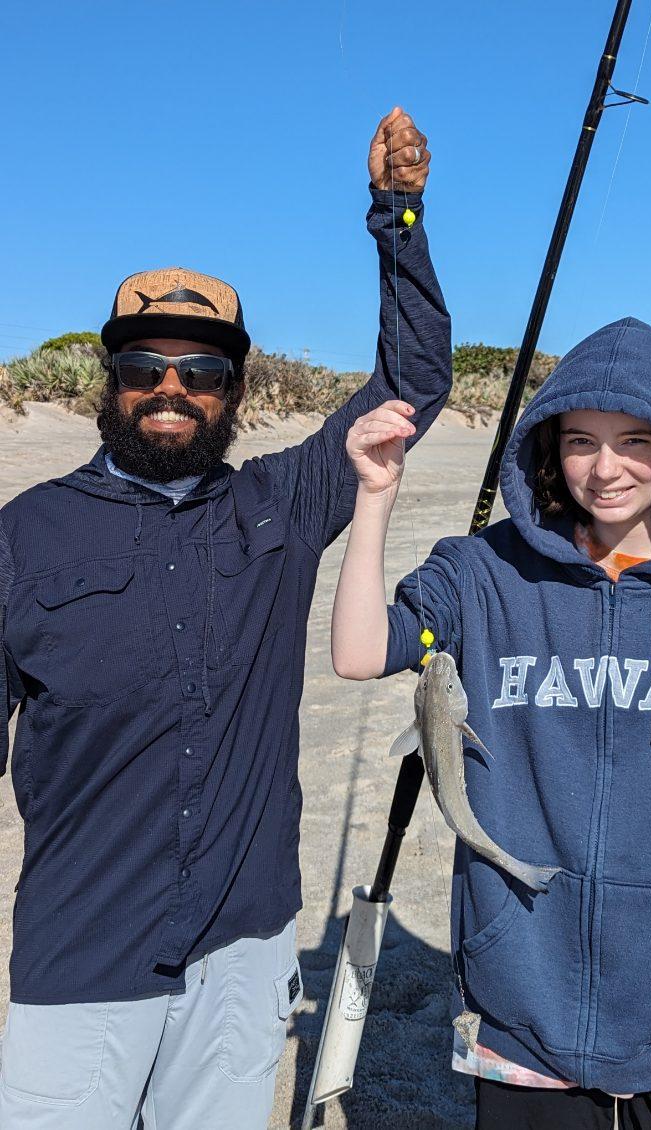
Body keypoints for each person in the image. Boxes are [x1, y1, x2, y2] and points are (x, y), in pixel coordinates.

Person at [0, 107, 450, 1128]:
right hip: (77, 958)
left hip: (244, 949)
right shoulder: (23, 534)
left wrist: (398, 217)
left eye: (201, 372)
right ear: (108, 386)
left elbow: (415, 380)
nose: (171, 388)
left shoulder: (280, 503)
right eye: (143, 368)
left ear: (235, 390)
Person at [331, 317, 651, 1129]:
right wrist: (374, 497)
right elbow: (360, 652)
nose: (605, 470)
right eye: (580, 442)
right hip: (527, 985)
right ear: (549, 447)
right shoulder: (484, 569)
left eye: (634, 441)